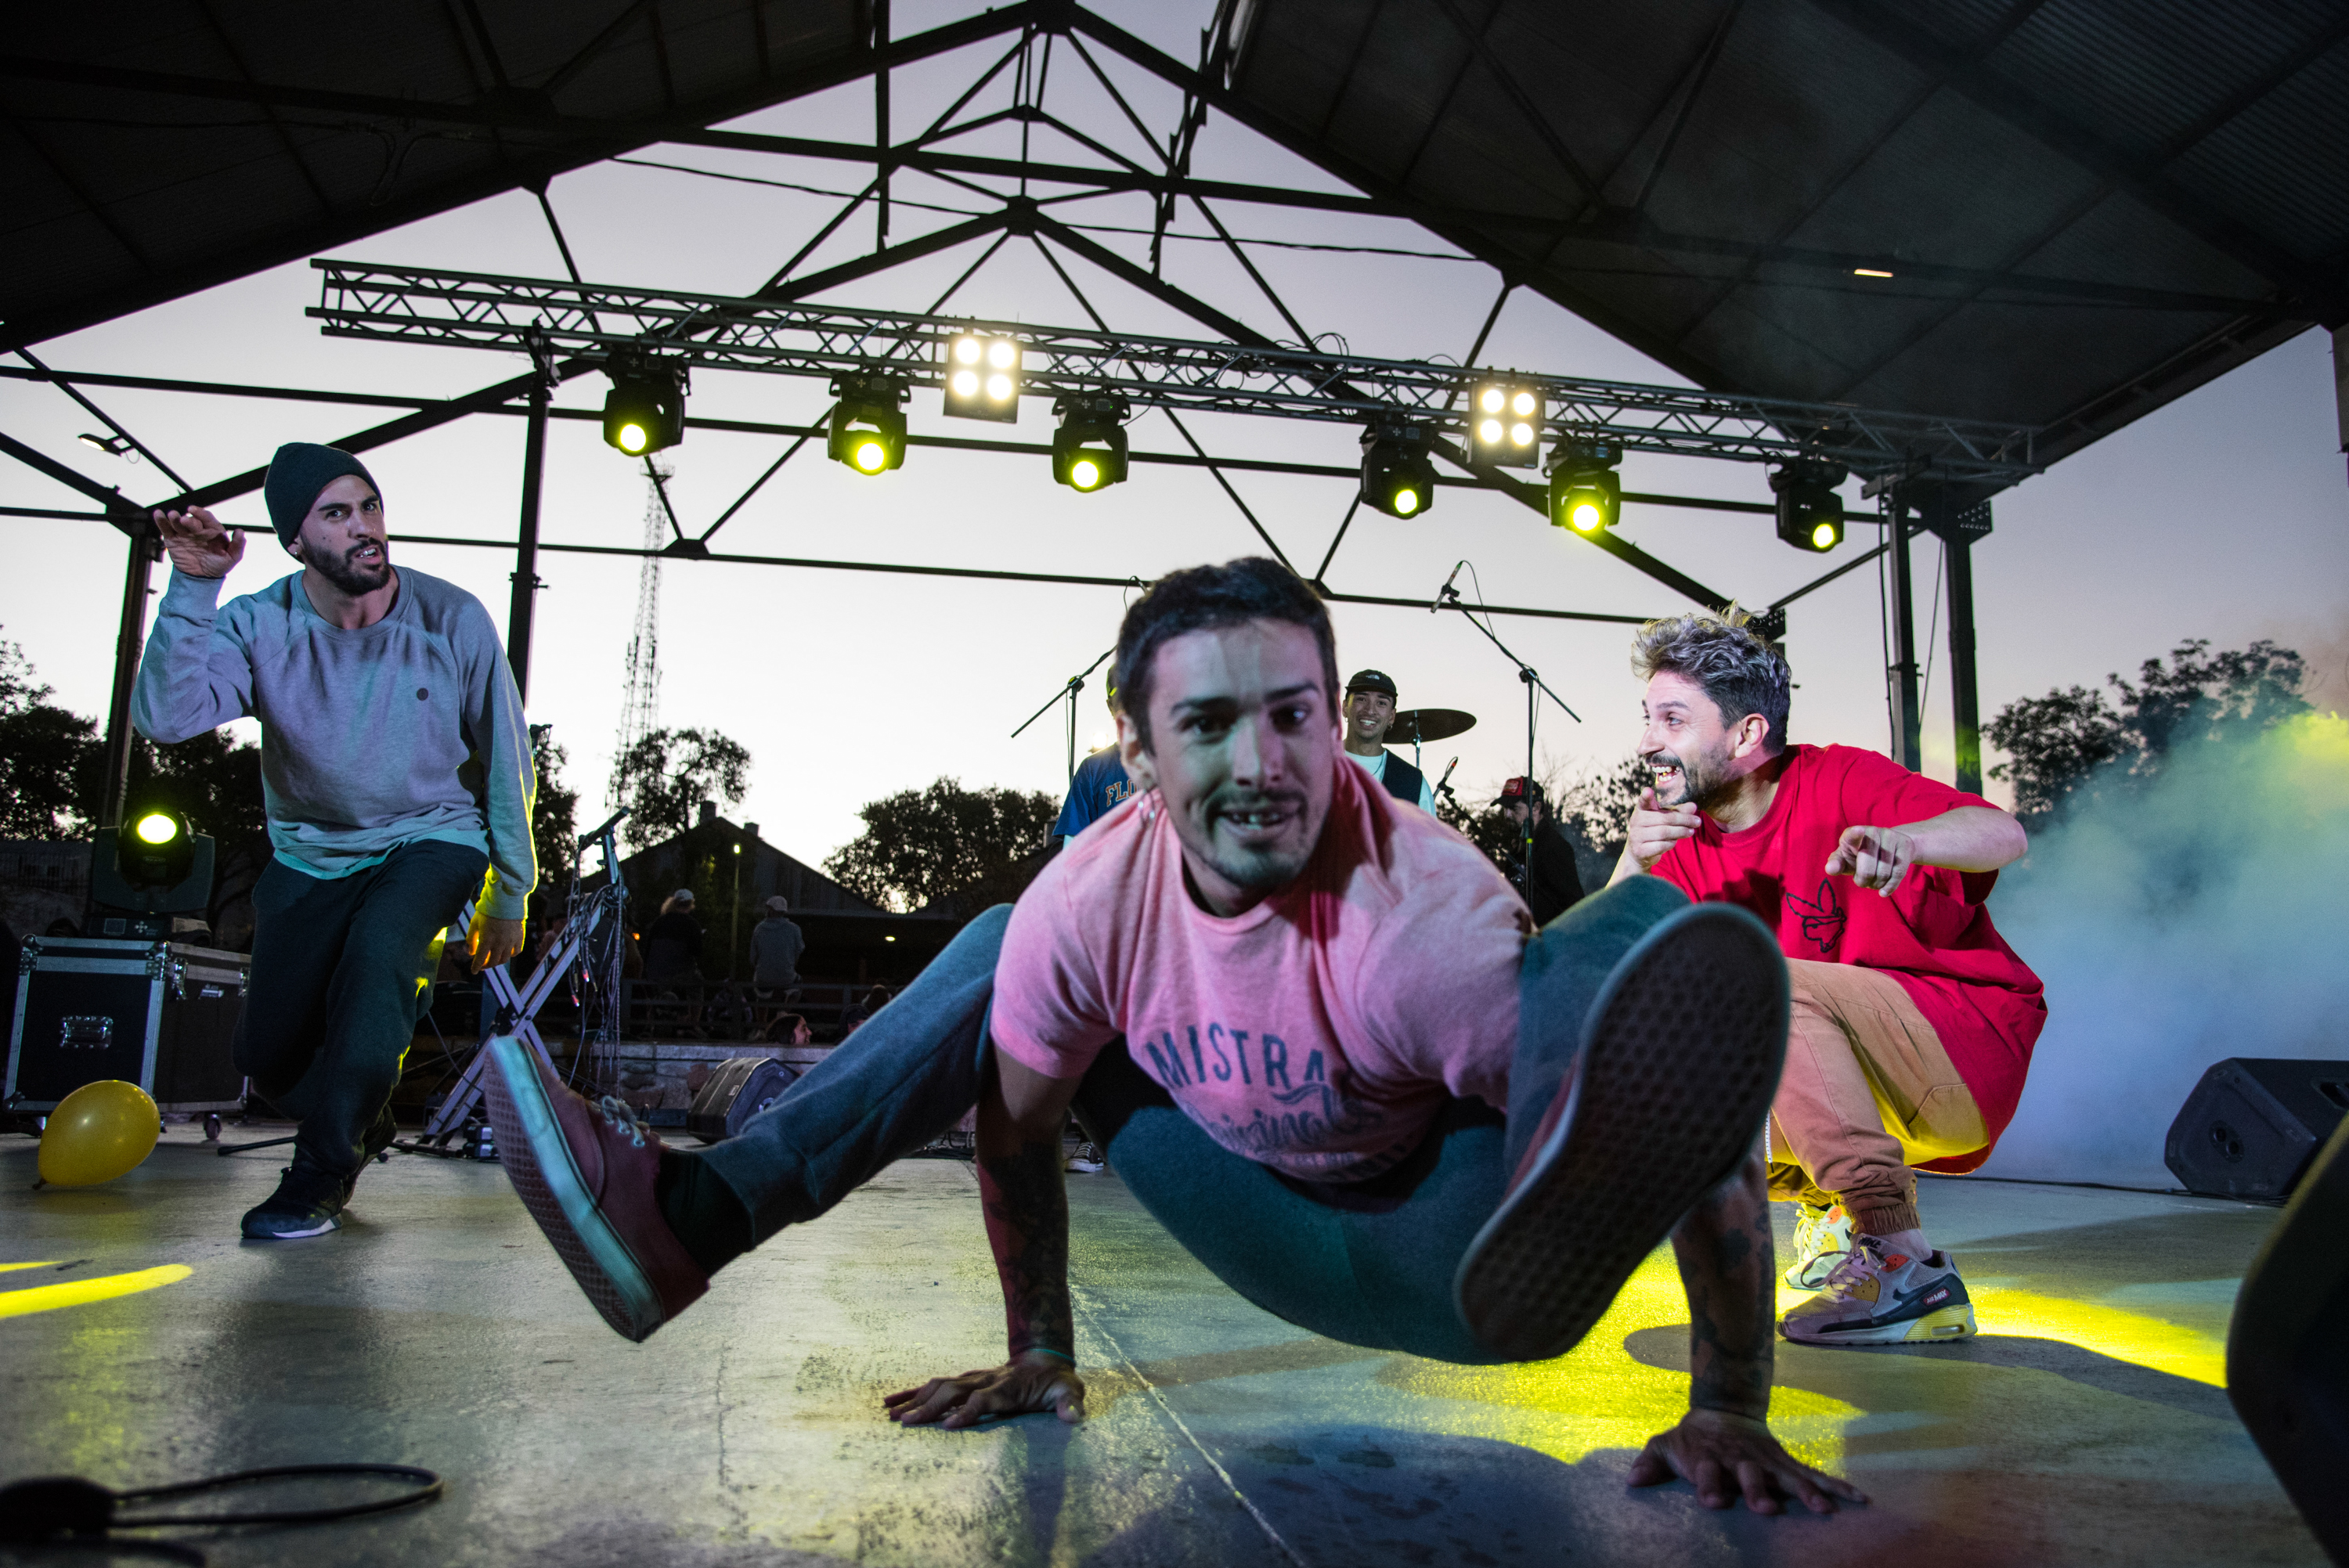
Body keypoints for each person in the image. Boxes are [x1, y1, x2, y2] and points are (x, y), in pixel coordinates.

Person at [483, 557, 1867, 1517]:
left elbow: (1700, 1141)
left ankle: (1561, 1094)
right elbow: (1018, 1127)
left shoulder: (1425, 919)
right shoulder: (1092, 894)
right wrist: (1040, 1347)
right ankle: (693, 1219)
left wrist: (1733, 1399)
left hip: (1453, 1241)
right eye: (1206, 725)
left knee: (1606, 954)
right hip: (1259, 1217)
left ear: (1337, 727)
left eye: (1294, 717)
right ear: (1134, 760)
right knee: (1002, 954)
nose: (1261, 764)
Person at [1610, 612, 2043, 1348]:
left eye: (1672, 719)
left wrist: (1910, 841)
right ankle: (1831, 1210)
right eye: (1648, 719)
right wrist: (1628, 867)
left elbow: (2005, 833)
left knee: (1761, 981)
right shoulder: (1680, 847)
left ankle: (1904, 1263)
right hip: (1847, 1077)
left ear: (1745, 735)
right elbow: (1594, 989)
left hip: (1963, 1049)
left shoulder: (1838, 775)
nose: (1649, 741)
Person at [133, 442, 533, 1240]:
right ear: (296, 540)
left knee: (378, 962)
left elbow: (507, 753)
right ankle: (360, 1120)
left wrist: (509, 889)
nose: (365, 529)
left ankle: (318, 1174)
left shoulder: (451, 616)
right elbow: (166, 716)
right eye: (338, 513)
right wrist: (194, 588)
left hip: (432, 838)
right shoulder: (260, 621)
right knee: (268, 1052)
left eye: (371, 506)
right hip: (310, 854)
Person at [1047, 663, 1136, 852]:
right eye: (1120, 694)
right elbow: (1073, 852)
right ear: (1110, 706)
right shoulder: (1092, 768)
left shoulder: (1175, 759)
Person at [1340, 669, 1436, 813]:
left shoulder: (1413, 782)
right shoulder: (1313, 764)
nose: (1370, 710)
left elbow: (1429, 836)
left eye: (1381, 703)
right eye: (1361, 699)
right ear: (1345, 707)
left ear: (1392, 716)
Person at [1498, 777, 1587, 927]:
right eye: (1505, 808)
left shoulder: (1553, 847)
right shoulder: (1517, 850)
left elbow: (1574, 905)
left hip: (1551, 941)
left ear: (1536, 807)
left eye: (1514, 808)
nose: (1507, 815)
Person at [640, 890, 705, 1036]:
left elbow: (647, 947)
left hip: (655, 971)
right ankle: (693, 1024)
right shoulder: (691, 924)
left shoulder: (659, 922)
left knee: (654, 993)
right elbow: (697, 952)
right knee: (697, 985)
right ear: (690, 904)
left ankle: (649, 1024)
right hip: (679, 971)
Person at [748, 896, 804, 1031]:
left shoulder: (759, 929)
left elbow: (752, 958)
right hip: (787, 977)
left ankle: (761, 1027)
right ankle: (783, 1011)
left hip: (764, 977)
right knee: (798, 984)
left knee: (761, 996)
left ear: (770, 909)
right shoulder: (794, 929)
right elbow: (799, 952)